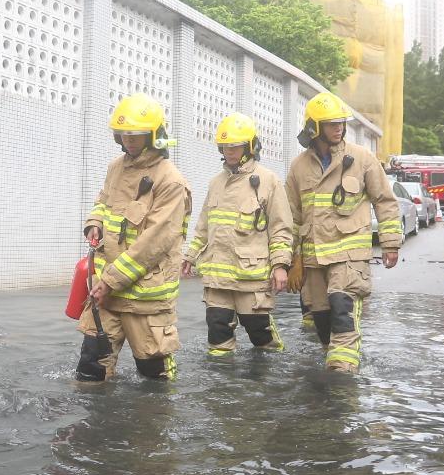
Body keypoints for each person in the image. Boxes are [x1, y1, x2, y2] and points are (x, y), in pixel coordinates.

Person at [77, 94, 193, 382]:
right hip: (108, 296)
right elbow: (103, 202)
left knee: (154, 380)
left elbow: (153, 243)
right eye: (124, 134)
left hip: (146, 299)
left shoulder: (171, 180)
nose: (128, 141)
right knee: (90, 371)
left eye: (136, 135)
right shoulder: (115, 167)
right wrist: (95, 223)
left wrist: (109, 281)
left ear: (153, 135)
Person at [285, 92, 401, 373]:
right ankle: (333, 373)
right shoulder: (299, 166)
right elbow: (290, 215)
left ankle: (343, 383)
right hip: (313, 262)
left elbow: (384, 201)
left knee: (342, 310)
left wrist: (390, 243)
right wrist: (291, 258)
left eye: (341, 123)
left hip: (349, 257)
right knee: (322, 324)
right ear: (314, 128)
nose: (339, 128)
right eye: (331, 124)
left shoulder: (362, 159)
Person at [182, 112, 294, 356]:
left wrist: (281, 265)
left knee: (260, 334)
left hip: (251, 276)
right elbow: (204, 226)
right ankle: (222, 384)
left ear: (250, 146)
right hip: (218, 278)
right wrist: (189, 256)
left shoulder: (268, 181)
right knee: (217, 333)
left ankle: (271, 377)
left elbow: (281, 228)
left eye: (235, 146)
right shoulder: (215, 183)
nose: (229, 152)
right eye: (225, 147)